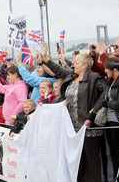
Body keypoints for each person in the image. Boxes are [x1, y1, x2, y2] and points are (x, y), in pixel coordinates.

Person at [41, 43, 105, 182]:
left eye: (76, 62)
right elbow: (58, 69)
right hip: (72, 128)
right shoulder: (71, 76)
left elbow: (105, 93)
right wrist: (46, 60)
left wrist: (94, 110)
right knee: (77, 161)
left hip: (88, 127)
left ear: (85, 65)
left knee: (91, 160)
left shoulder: (94, 78)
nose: (73, 65)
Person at [90, 57, 119, 181]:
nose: (105, 71)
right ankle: (116, 177)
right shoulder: (110, 83)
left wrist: (106, 104)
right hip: (109, 122)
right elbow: (101, 99)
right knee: (112, 153)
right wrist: (92, 116)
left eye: (107, 69)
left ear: (114, 69)